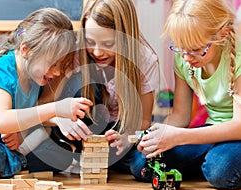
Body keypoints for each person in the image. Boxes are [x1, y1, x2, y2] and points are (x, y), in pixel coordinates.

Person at [0, 7, 93, 183]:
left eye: (61, 65)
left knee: (59, 154)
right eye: (53, 64)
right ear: (25, 50)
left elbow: (28, 117)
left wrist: (55, 119)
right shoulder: (1, 73)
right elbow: (1, 122)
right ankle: (12, 163)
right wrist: (55, 109)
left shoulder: (34, 78)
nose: (58, 72)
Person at [137, 0, 241, 190]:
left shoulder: (240, 58)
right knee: (142, 163)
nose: (186, 57)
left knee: (220, 170)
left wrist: (179, 137)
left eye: (195, 49)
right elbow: (180, 115)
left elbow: (239, 126)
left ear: (222, 35)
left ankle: (210, 161)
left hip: (239, 134)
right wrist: (152, 134)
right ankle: (207, 160)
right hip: (211, 133)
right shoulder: (184, 58)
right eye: (181, 48)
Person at [50, 0, 159, 177]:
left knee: (143, 167)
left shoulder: (144, 60)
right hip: (84, 126)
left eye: (109, 44)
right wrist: (60, 118)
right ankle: (88, 153)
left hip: (122, 129)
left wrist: (127, 138)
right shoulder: (76, 52)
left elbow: (144, 120)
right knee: (83, 84)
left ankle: (108, 159)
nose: (98, 52)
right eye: (90, 41)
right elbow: (47, 103)